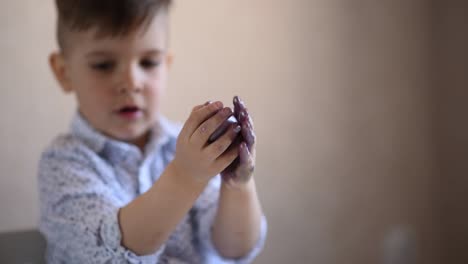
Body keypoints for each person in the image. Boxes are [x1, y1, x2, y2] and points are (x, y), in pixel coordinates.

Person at [37, 0, 267, 263]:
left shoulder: (187, 147)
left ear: (166, 65)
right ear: (63, 72)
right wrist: (185, 175)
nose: (131, 83)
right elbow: (113, 250)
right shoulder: (63, 164)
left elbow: (234, 248)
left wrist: (237, 183)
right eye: (103, 65)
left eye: (148, 62)